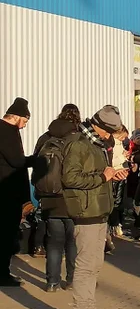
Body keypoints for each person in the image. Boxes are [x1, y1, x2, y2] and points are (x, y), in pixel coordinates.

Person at [62, 105, 127, 309]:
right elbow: (70, 177)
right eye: (109, 131)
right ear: (99, 127)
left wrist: (112, 174)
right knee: (86, 266)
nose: (111, 136)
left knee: (95, 265)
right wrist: (102, 176)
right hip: (86, 211)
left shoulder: (97, 145)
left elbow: (99, 173)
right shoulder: (79, 144)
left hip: (99, 210)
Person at [34, 114, 80, 290]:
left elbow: (36, 176)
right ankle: (71, 280)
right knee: (71, 243)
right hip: (68, 200)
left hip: (48, 202)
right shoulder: (71, 146)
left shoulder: (45, 144)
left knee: (53, 244)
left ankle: (52, 282)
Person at [0, 98, 35, 287]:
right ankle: (2, 274)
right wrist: (34, 160)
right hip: (7, 193)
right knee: (6, 234)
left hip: (5, 190)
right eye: (25, 121)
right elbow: (17, 161)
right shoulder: (7, 132)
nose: (25, 126)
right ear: (17, 117)